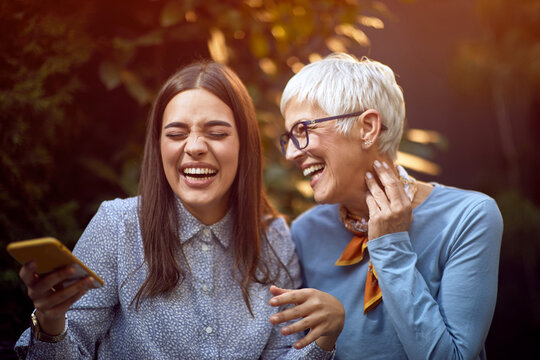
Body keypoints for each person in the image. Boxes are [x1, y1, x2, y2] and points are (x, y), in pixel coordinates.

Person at [14, 61, 343, 359]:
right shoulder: (118, 226)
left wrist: (324, 339)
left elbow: (282, 354)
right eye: (176, 134)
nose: (196, 147)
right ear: (159, 146)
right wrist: (51, 322)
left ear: (245, 145)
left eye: (216, 133)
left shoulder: (273, 238)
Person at [270, 53, 503, 359]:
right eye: (290, 137)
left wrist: (390, 246)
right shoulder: (304, 232)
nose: (291, 155)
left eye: (303, 130)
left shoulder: (468, 217)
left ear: (367, 128)